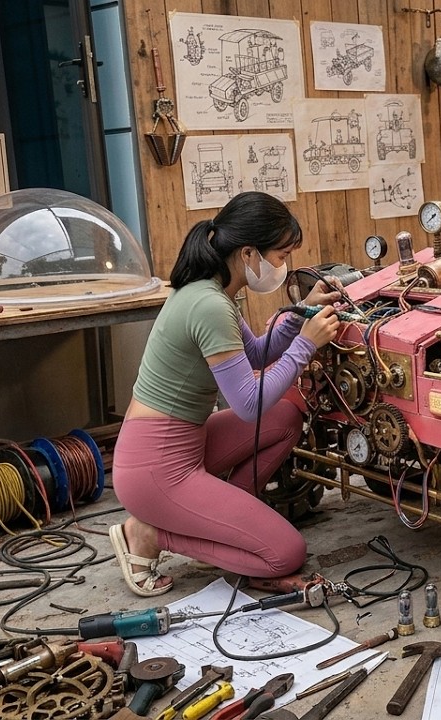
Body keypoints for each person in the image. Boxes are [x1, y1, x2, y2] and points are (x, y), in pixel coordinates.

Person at [109, 191, 341, 596]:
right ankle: (148, 533)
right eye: (281, 255)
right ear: (249, 253)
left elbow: (254, 353)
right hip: (157, 468)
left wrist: (300, 310)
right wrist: (306, 345)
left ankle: (225, 524)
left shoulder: (211, 291)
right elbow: (248, 404)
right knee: (285, 554)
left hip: (177, 446)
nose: (282, 266)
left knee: (285, 417)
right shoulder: (209, 305)